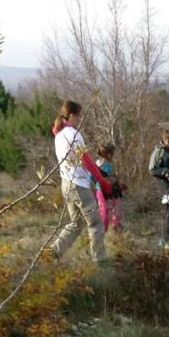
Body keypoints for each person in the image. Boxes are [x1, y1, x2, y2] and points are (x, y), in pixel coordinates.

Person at [48, 100, 113, 262]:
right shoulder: (73, 135)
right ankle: (101, 262)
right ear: (71, 115)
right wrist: (102, 181)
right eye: (78, 116)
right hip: (78, 186)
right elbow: (87, 161)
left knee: (76, 224)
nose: (80, 119)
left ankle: (52, 253)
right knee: (96, 224)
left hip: (66, 184)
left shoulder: (59, 136)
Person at [94, 144, 123, 233]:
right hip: (105, 191)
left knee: (114, 209)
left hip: (111, 190)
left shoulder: (97, 164)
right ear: (109, 154)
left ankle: (115, 228)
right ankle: (105, 230)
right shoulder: (106, 165)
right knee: (107, 211)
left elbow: (92, 177)